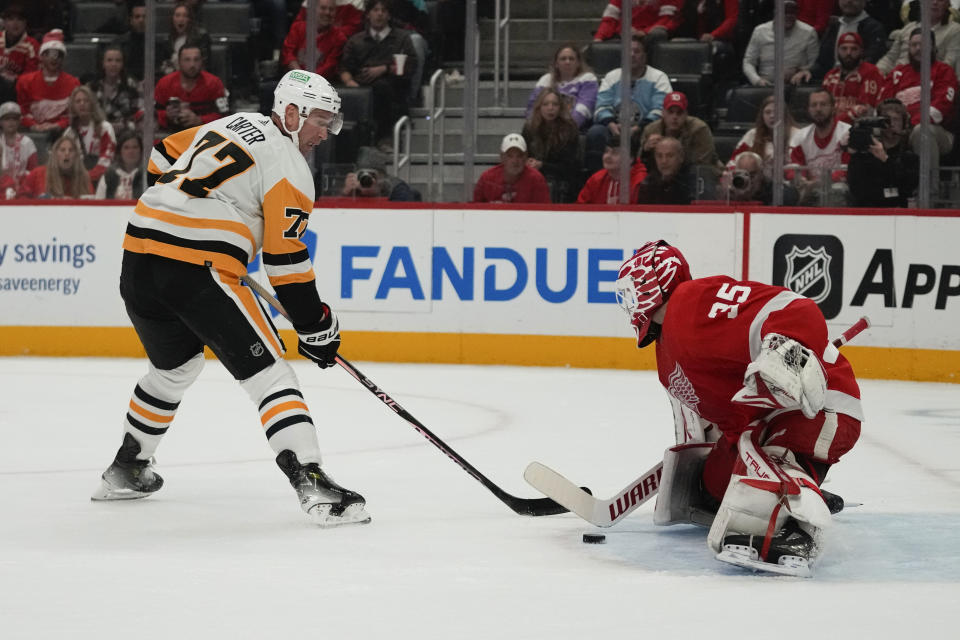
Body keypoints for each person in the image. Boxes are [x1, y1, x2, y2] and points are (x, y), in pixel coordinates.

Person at [91, 69, 371, 528]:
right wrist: (316, 325)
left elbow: (162, 156)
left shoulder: (230, 123)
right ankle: (314, 483)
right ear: (293, 112)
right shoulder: (292, 168)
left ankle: (127, 467)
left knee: (174, 368)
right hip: (198, 266)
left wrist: (188, 205)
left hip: (138, 257)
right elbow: (285, 260)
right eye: (321, 119)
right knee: (270, 374)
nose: (327, 131)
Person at [612, 240, 862, 576]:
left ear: (657, 281)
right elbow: (715, 419)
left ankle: (797, 523)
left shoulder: (691, 302)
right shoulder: (666, 354)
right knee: (712, 488)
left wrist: (786, 350)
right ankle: (798, 485)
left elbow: (794, 307)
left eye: (633, 291)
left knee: (764, 478)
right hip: (762, 422)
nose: (630, 304)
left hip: (818, 405)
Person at [585, 35, 672, 174]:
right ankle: (599, 177)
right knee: (596, 132)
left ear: (644, 56)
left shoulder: (658, 78)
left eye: (637, 51)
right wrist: (611, 124)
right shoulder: (612, 77)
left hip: (645, 128)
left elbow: (659, 109)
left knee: (655, 137)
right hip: (615, 128)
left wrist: (638, 127)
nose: (632, 55)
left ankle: (640, 179)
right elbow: (601, 106)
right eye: (628, 51)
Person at [339, 0, 418, 150]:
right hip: (362, 88)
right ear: (368, 14)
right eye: (375, 10)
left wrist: (385, 68)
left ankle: (385, 138)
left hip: (393, 88)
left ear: (389, 15)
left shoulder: (402, 38)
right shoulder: (356, 40)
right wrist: (350, 83)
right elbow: (344, 67)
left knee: (383, 88)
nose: (379, 14)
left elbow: (411, 65)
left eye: (383, 10)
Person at [881, 29, 959, 169]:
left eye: (923, 44)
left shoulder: (944, 71)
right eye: (914, 45)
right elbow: (882, 105)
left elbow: (940, 109)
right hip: (897, 129)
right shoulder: (898, 73)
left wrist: (908, 126)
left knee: (922, 132)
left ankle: (929, 190)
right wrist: (894, 126)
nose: (918, 49)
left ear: (934, 48)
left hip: (938, 131)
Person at [847, 98, 920, 208]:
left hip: (897, 211)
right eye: (887, 120)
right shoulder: (868, 149)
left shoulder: (909, 153)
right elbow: (855, 186)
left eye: (896, 120)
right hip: (868, 209)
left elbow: (908, 185)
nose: (891, 124)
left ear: (904, 122)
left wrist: (885, 159)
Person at [788, 89, 851, 205]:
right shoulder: (801, 136)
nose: (818, 109)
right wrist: (802, 180)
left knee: (837, 190)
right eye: (814, 105)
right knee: (789, 191)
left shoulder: (847, 133)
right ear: (808, 109)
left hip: (838, 188)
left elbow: (849, 170)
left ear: (833, 108)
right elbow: (793, 168)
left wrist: (819, 183)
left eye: (823, 104)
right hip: (810, 188)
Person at [639, 91, 722, 178]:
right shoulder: (651, 130)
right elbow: (640, 163)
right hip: (661, 176)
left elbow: (702, 162)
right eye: (670, 112)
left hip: (698, 175)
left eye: (679, 113)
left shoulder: (699, 129)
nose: (674, 117)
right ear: (663, 113)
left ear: (686, 114)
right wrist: (645, 150)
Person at [522, 88, 582, 203]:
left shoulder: (569, 128)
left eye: (555, 104)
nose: (550, 108)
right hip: (534, 176)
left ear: (560, 108)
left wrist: (542, 165)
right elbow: (524, 155)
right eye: (545, 104)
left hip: (563, 180)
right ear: (539, 107)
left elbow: (570, 167)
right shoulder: (529, 128)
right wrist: (529, 162)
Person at [14, 29, 80, 134]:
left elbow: (73, 115)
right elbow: (22, 111)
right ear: (41, 56)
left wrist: (57, 125)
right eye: (48, 54)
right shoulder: (25, 81)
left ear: (63, 58)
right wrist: (33, 125)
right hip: (30, 133)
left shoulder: (73, 83)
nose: (53, 59)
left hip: (63, 134)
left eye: (58, 55)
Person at [805, 0, 888, 83]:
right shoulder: (834, 26)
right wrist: (809, 72)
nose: (849, 1)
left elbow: (872, 59)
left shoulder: (874, 28)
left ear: (864, 2)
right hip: (830, 80)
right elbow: (822, 61)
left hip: (860, 81)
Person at [154, 44, 230, 132]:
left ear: (202, 61)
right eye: (187, 60)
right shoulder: (165, 83)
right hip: (170, 134)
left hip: (205, 134)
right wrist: (166, 115)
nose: (192, 64)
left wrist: (200, 120)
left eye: (196, 60)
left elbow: (225, 116)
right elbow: (151, 114)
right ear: (179, 62)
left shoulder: (214, 83)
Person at [741, 1, 818, 87]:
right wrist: (757, 80)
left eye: (792, 13)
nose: (788, 16)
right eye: (784, 12)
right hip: (765, 85)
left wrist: (803, 72)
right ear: (775, 13)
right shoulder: (760, 31)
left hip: (795, 85)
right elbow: (748, 62)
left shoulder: (809, 32)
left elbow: (814, 64)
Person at [726, 95, 804, 178]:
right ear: (762, 115)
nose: (772, 116)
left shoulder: (798, 135)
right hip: (757, 185)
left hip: (787, 185)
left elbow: (802, 168)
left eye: (776, 112)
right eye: (767, 112)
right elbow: (733, 164)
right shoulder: (752, 135)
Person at [525, 45, 599, 131]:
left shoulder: (588, 79)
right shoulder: (546, 79)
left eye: (571, 59)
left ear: (578, 63)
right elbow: (532, 107)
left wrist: (565, 129)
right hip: (545, 127)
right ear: (556, 63)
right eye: (563, 59)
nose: (567, 62)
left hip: (575, 128)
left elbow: (584, 109)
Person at [879, 0, 960, 77]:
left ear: (947, 4)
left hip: (927, 80)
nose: (935, 2)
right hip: (896, 78)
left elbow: (949, 63)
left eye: (940, 0)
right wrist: (878, 72)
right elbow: (890, 58)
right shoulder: (909, 27)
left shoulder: (954, 30)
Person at [820, 32, 885, 124]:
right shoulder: (830, 75)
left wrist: (834, 124)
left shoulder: (871, 72)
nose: (848, 53)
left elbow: (866, 110)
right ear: (837, 50)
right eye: (844, 48)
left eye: (854, 49)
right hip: (830, 126)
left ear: (861, 51)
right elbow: (822, 105)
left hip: (858, 128)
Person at [473, 133, 551, 203]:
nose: (515, 161)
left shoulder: (536, 179)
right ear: (502, 157)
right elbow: (474, 210)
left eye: (519, 156)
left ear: (526, 156)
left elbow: (545, 212)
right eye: (510, 156)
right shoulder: (487, 178)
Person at [281, 0, 347, 82]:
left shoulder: (339, 38)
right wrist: (301, 78)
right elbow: (288, 55)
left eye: (331, 9)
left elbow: (330, 67)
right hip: (292, 80)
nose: (327, 12)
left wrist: (308, 81)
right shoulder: (297, 28)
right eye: (323, 8)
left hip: (319, 85)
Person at [63, 86, 117, 184]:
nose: (82, 104)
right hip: (76, 180)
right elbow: (65, 159)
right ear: (73, 107)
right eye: (78, 101)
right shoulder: (69, 133)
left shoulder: (105, 128)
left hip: (102, 180)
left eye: (86, 100)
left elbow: (107, 158)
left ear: (92, 104)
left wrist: (89, 176)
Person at [576, 132, 646, 204]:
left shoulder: (641, 182)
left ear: (630, 158)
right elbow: (580, 208)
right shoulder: (596, 179)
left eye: (615, 153)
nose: (608, 156)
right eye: (606, 151)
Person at [87, 45, 144, 132]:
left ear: (122, 64)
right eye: (109, 60)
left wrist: (125, 125)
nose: (114, 64)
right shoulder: (92, 87)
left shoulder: (132, 85)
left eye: (118, 61)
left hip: (126, 134)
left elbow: (140, 114)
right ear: (102, 63)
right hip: (98, 133)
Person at [17, 134, 92, 198]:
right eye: (62, 150)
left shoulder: (84, 177)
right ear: (55, 154)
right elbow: (21, 198)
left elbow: (93, 202)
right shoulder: (37, 173)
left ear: (76, 156)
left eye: (71, 150)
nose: (67, 153)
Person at [339, 145, 421, 201]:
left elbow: (404, 216)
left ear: (383, 175)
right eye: (362, 174)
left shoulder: (396, 188)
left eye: (373, 174)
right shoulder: (353, 187)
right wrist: (345, 194)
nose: (367, 178)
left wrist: (377, 195)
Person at [593, 0, 684, 49]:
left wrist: (643, 32)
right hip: (625, 34)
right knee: (601, 46)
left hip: (651, 35)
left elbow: (668, 19)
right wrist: (598, 38)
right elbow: (610, 19)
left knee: (658, 34)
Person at [636, 136, 695, 204]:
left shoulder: (692, 183)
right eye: (659, 156)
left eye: (670, 156)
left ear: (681, 157)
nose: (664, 161)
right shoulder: (648, 183)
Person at [160, 1, 212, 76]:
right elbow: (166, 63)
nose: (181, 19)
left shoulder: (201, 36)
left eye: (185, 16)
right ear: (172, 19)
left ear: (190, 19)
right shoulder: (169, 39)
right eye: (177, 15)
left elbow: (204, 66)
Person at [0, 3, 38, 104]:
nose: (15, 24)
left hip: (16, 91)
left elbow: (30, 77)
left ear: (25, 23)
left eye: (20, 19)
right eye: (11, 19)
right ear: (4, 22)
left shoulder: (31, 45)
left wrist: (13, 79)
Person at [0, 101, 38, 197]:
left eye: (14, 119)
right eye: (7, 119)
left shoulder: (28, 143)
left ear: (19, 121)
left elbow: (34, 172)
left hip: (23, 190)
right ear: (1, 122)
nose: (11, 122)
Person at [95, 129, 145, 200]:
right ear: (119, 152)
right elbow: (98, 203)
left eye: (135, 147)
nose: (131, 151)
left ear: (141, 151)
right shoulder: (108, 176)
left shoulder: (148, 175)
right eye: (126, 148)